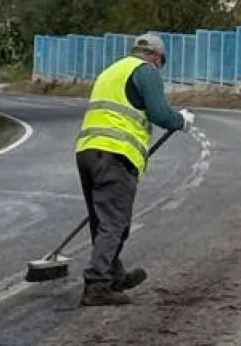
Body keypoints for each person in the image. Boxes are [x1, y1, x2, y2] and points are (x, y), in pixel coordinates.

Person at [73, 31, 194, 306]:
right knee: (115, 223)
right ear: (155, 56)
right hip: (116, 155)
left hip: (88, 151)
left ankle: (113, 273)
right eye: (160, 62)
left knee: (101, 220)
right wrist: (181, 121)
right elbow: (159, 112)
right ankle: (97, 285)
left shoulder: (111, 70)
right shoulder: (145, 71)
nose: (159, 67)